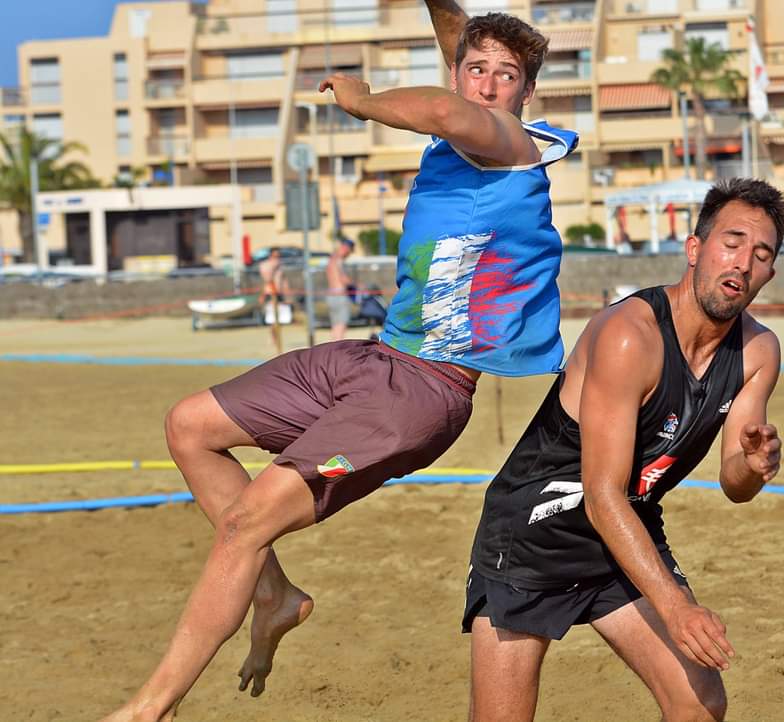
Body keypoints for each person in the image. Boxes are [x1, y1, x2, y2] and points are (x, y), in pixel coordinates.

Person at [103, 5, 577, 721]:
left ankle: (149, 709)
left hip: (422, 393)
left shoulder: (510, 140)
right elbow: (459, 48)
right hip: (373, 358)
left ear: (525, 96)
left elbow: (446, 110)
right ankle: (273, 595)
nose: (486, 84)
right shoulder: (469, 107)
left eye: (505, 77)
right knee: (190, 426)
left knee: (246, 524)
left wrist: (360, 99)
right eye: (475, 69)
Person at [464, 178, 784, 721]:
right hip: (534, 536)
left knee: (699, 704)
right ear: (694, 248)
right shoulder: (628, 334)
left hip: (624, 537)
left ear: (770, 273)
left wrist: (754, 466)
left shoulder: (758, 350)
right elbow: (601, 496)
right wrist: (677, 607)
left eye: (761, 254)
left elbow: (735, 483)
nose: (743, 263)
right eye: (731, 242)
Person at [257, 247, 292, 353]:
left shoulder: (280, 267)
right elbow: (267, 279)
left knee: (280, 318)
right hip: (270, 293)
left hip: (279, 293)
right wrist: (273, 268)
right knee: (272, 318)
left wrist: (288, 294)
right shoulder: (265, 265)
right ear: (270, 255)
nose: (277, 258)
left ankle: (276, 337)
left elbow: (283, 280)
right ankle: (273, 338)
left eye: (278, 256)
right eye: (275, 256)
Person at [325, 237, 355, 341]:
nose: (349, 254)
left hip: (331, 294)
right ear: (346, 248)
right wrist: (356, 285)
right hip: (340, 294)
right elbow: (342, 279)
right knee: (341, 325)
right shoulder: (339, 260)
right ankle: (338, 349)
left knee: (335, 325)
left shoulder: (331, 259)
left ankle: (334, 348)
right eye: (350, 251)